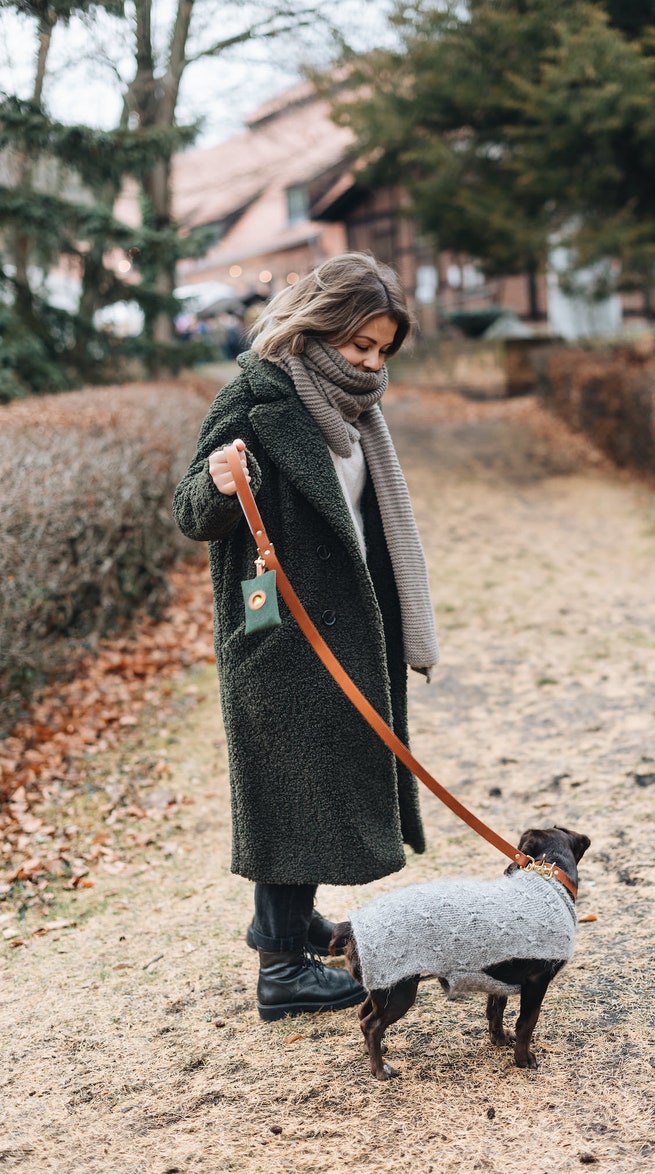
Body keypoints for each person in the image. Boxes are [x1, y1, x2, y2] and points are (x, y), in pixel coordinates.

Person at [173, 252, 439, 1022]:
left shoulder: (359, 410)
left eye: (383, 349)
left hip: (352, 622)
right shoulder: (256, 399)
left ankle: (290, 924)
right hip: (283, 633)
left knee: (325, 777)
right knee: (293, 788)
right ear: (320, 325)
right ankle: (283, 970)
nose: (370, 361)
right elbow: (192, 512)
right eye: (360, 343)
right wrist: (221, 486)